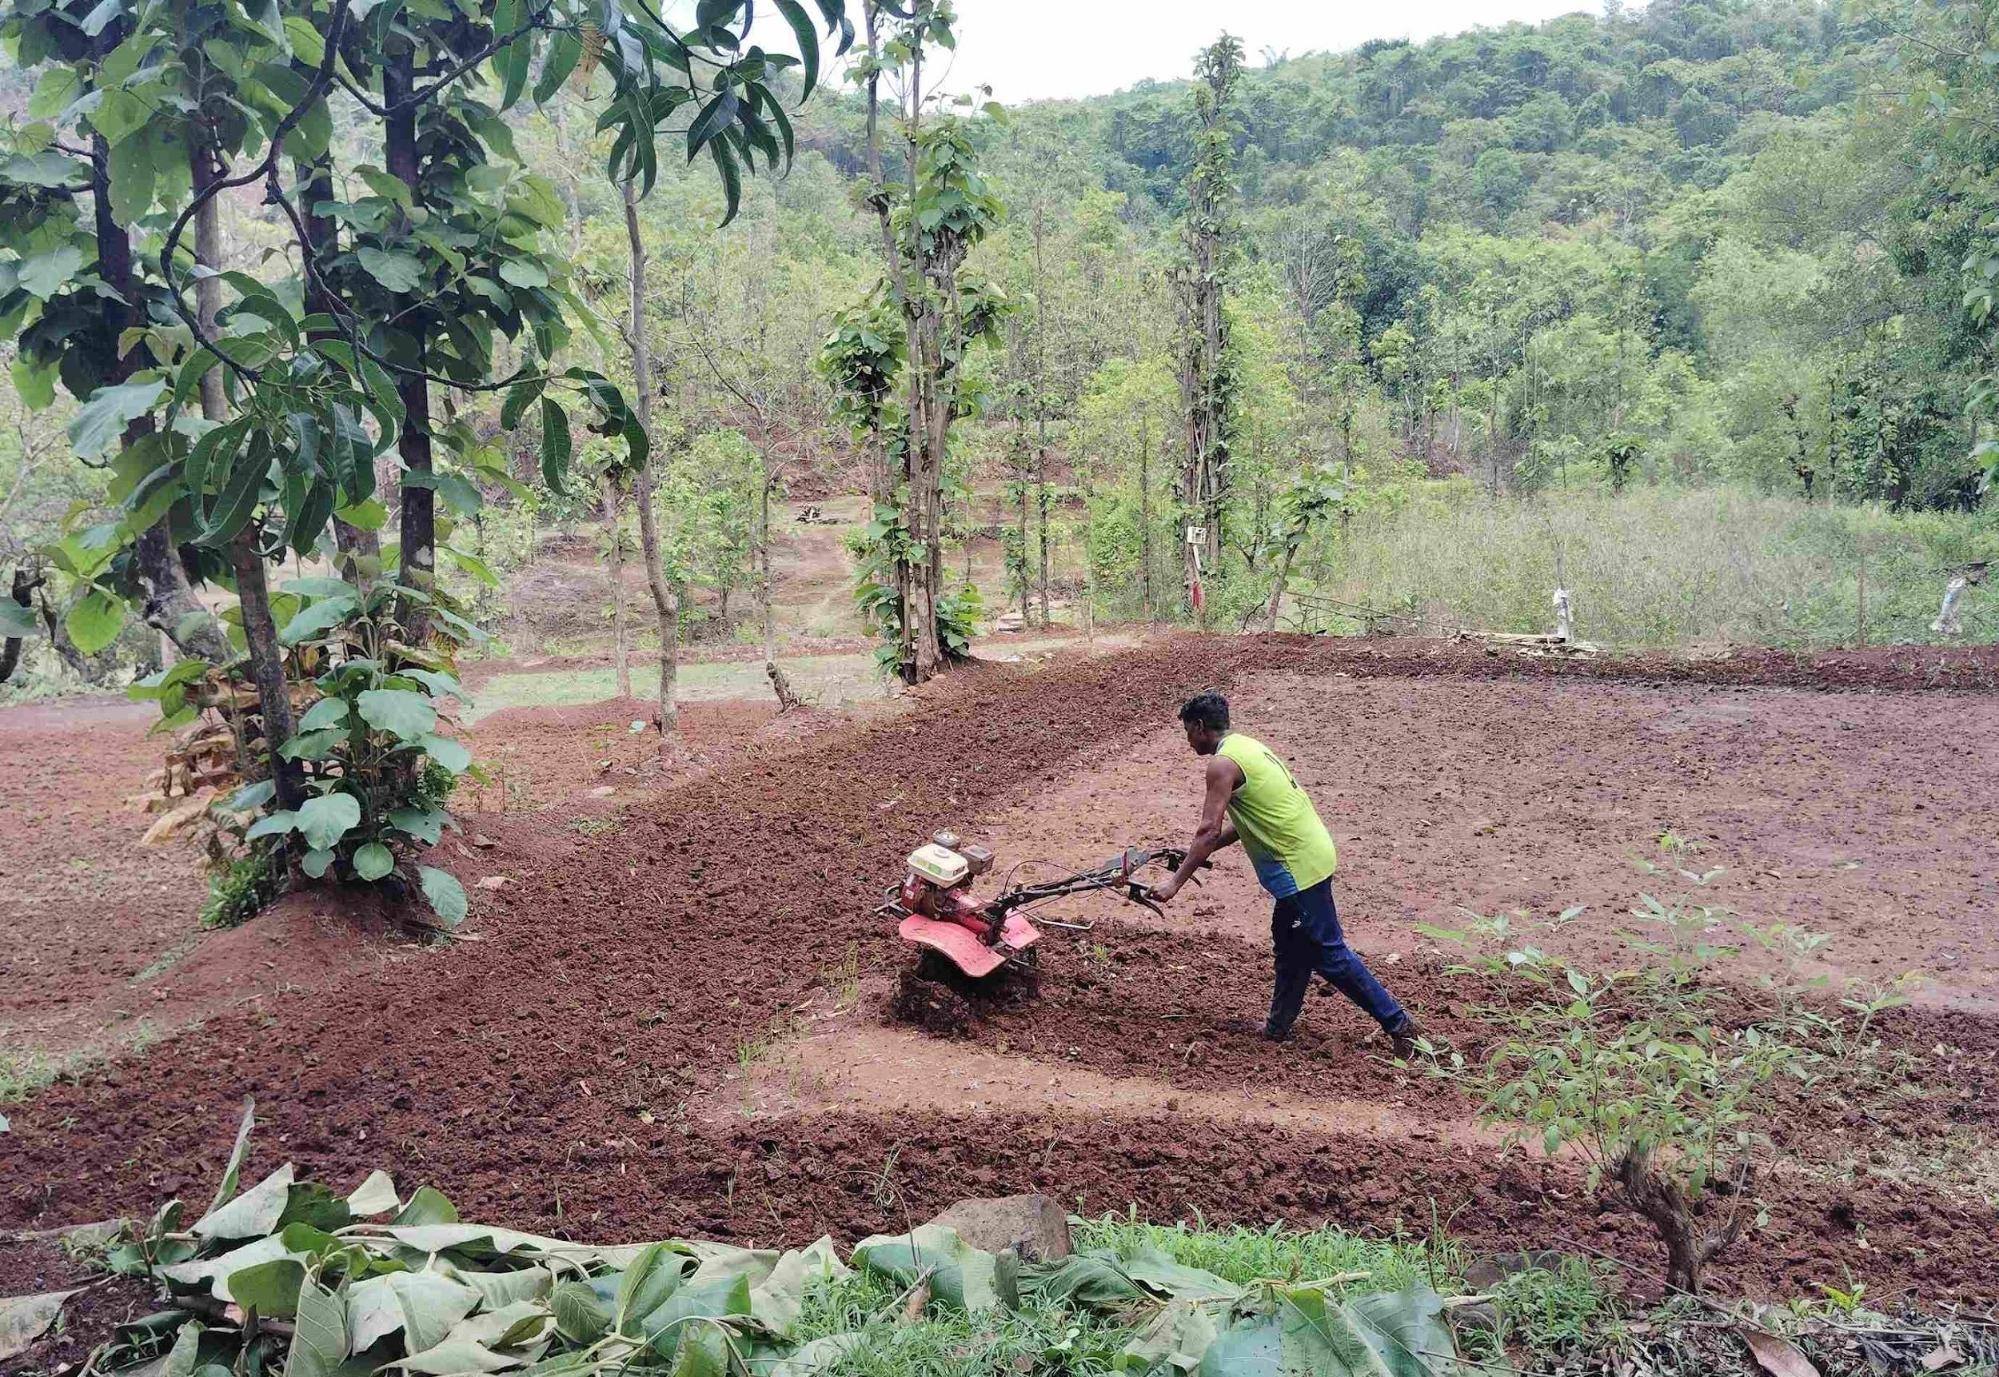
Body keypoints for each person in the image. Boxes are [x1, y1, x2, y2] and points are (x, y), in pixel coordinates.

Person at [1149, 690, 1425, 1056]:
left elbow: (1209, 830)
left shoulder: (1221, 765)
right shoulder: (1246, 747)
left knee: (1329, 954)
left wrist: (1174, 883)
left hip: (1297, 868)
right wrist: (1192, 855)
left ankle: (1400, 1026)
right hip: (1311, 852)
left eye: (1187, 732)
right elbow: (1245, 824)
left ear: (1200, 727)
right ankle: (1278, 1027)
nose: (1187, 741)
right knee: (1291, 946)